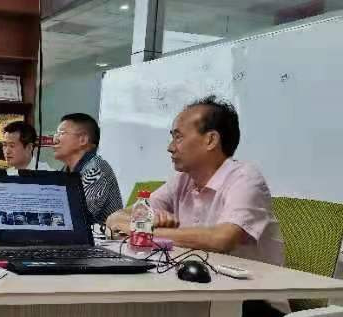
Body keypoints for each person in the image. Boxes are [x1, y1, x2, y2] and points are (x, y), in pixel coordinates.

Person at [106, 96, 284, 266]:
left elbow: (221, 239)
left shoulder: (245, 178)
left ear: (211, 140)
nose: (170, 147)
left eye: (178, 137)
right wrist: (140, 223)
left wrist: (144, 231)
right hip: (196, 277)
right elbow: (118, 217)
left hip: (253, 285)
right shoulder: (182, 180)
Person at [53, 112, 122, 224]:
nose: (54, 139)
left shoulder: (96, 170)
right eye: (56, 133)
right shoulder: (65, 171)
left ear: (83, 140)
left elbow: (77, 215)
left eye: (61, 133)